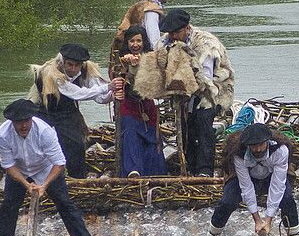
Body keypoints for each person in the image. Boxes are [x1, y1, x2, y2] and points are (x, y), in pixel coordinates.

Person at [0, 99, 107, 236]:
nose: (23, 126)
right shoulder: (3, 134)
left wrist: (44, 185)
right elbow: (8, 165)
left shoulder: (44, 131)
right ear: (12, 123)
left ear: (32, 119)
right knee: (8, 206)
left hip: (46, 168)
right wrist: (27, 184)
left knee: (65, 204)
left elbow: (59, 162)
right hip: (19, 171)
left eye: (26, 121)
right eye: (19, 122)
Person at [197, 122, 299, 236]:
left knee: (287, 200)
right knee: (227, 202)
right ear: (247, 145)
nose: (258, 149)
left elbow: (277, 185)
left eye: (261, 145)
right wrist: (257, 220)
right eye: (253, 146)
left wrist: (268, 219)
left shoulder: (281, 150)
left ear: (267, 142)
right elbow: (246, 186)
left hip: (271, 175)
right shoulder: (238, 154)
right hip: (248, 176)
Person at [158, 9, 235, 177]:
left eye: (177, 32)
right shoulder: (166, 42)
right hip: (184, 92)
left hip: (213, 90)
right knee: (186, 127)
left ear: (186, 28)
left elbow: (205, 79)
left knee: (203, 125)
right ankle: (189, 165)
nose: (174, 36)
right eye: (170, 33)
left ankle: (204, 170)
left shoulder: (206, 45)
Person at [28, 44, 116, 178]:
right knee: (42, 146)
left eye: (77, 65)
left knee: (77, 145)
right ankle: (38, 177)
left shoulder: (86, 70)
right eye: (70, 64)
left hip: (68, 112)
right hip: (46, 111)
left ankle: (77, 177)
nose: (73, 69)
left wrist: (112, 93)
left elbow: (99, 97)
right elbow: (77, 93)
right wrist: (107, 87)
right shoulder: (51, 72)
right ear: (63, 61)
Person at [109, 25, 167, 177]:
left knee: (152, 139)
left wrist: (142, 63)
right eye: (132, 41)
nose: (135, 45)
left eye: (139, 41)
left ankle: (155, 173)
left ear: (144, 42)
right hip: (128, 105)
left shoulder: (151, 59)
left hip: (147, 106)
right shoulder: (119, 60)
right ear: (127, 43)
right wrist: (126, 66)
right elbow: (114, 80)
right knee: (130, 133)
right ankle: (133, 170)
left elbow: (157, 82)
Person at [109, 0, 172, 70]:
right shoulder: (152, 10)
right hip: (141, 51)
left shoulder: (142, 4)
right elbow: (154, 38)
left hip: (132, 46)